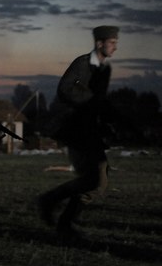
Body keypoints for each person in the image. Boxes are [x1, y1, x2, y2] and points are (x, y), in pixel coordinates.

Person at [37, 26, 119, 242]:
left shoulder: (103, 69)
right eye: (112, 42)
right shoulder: (83, 64)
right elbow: (65, 88)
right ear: (99, 43)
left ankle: (52, 204)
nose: (115, 47)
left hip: (89, 130)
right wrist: (91, 102)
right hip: (76, 129)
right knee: (96, 179)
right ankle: (61, 218)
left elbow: (97, 102)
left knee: (96, 179)